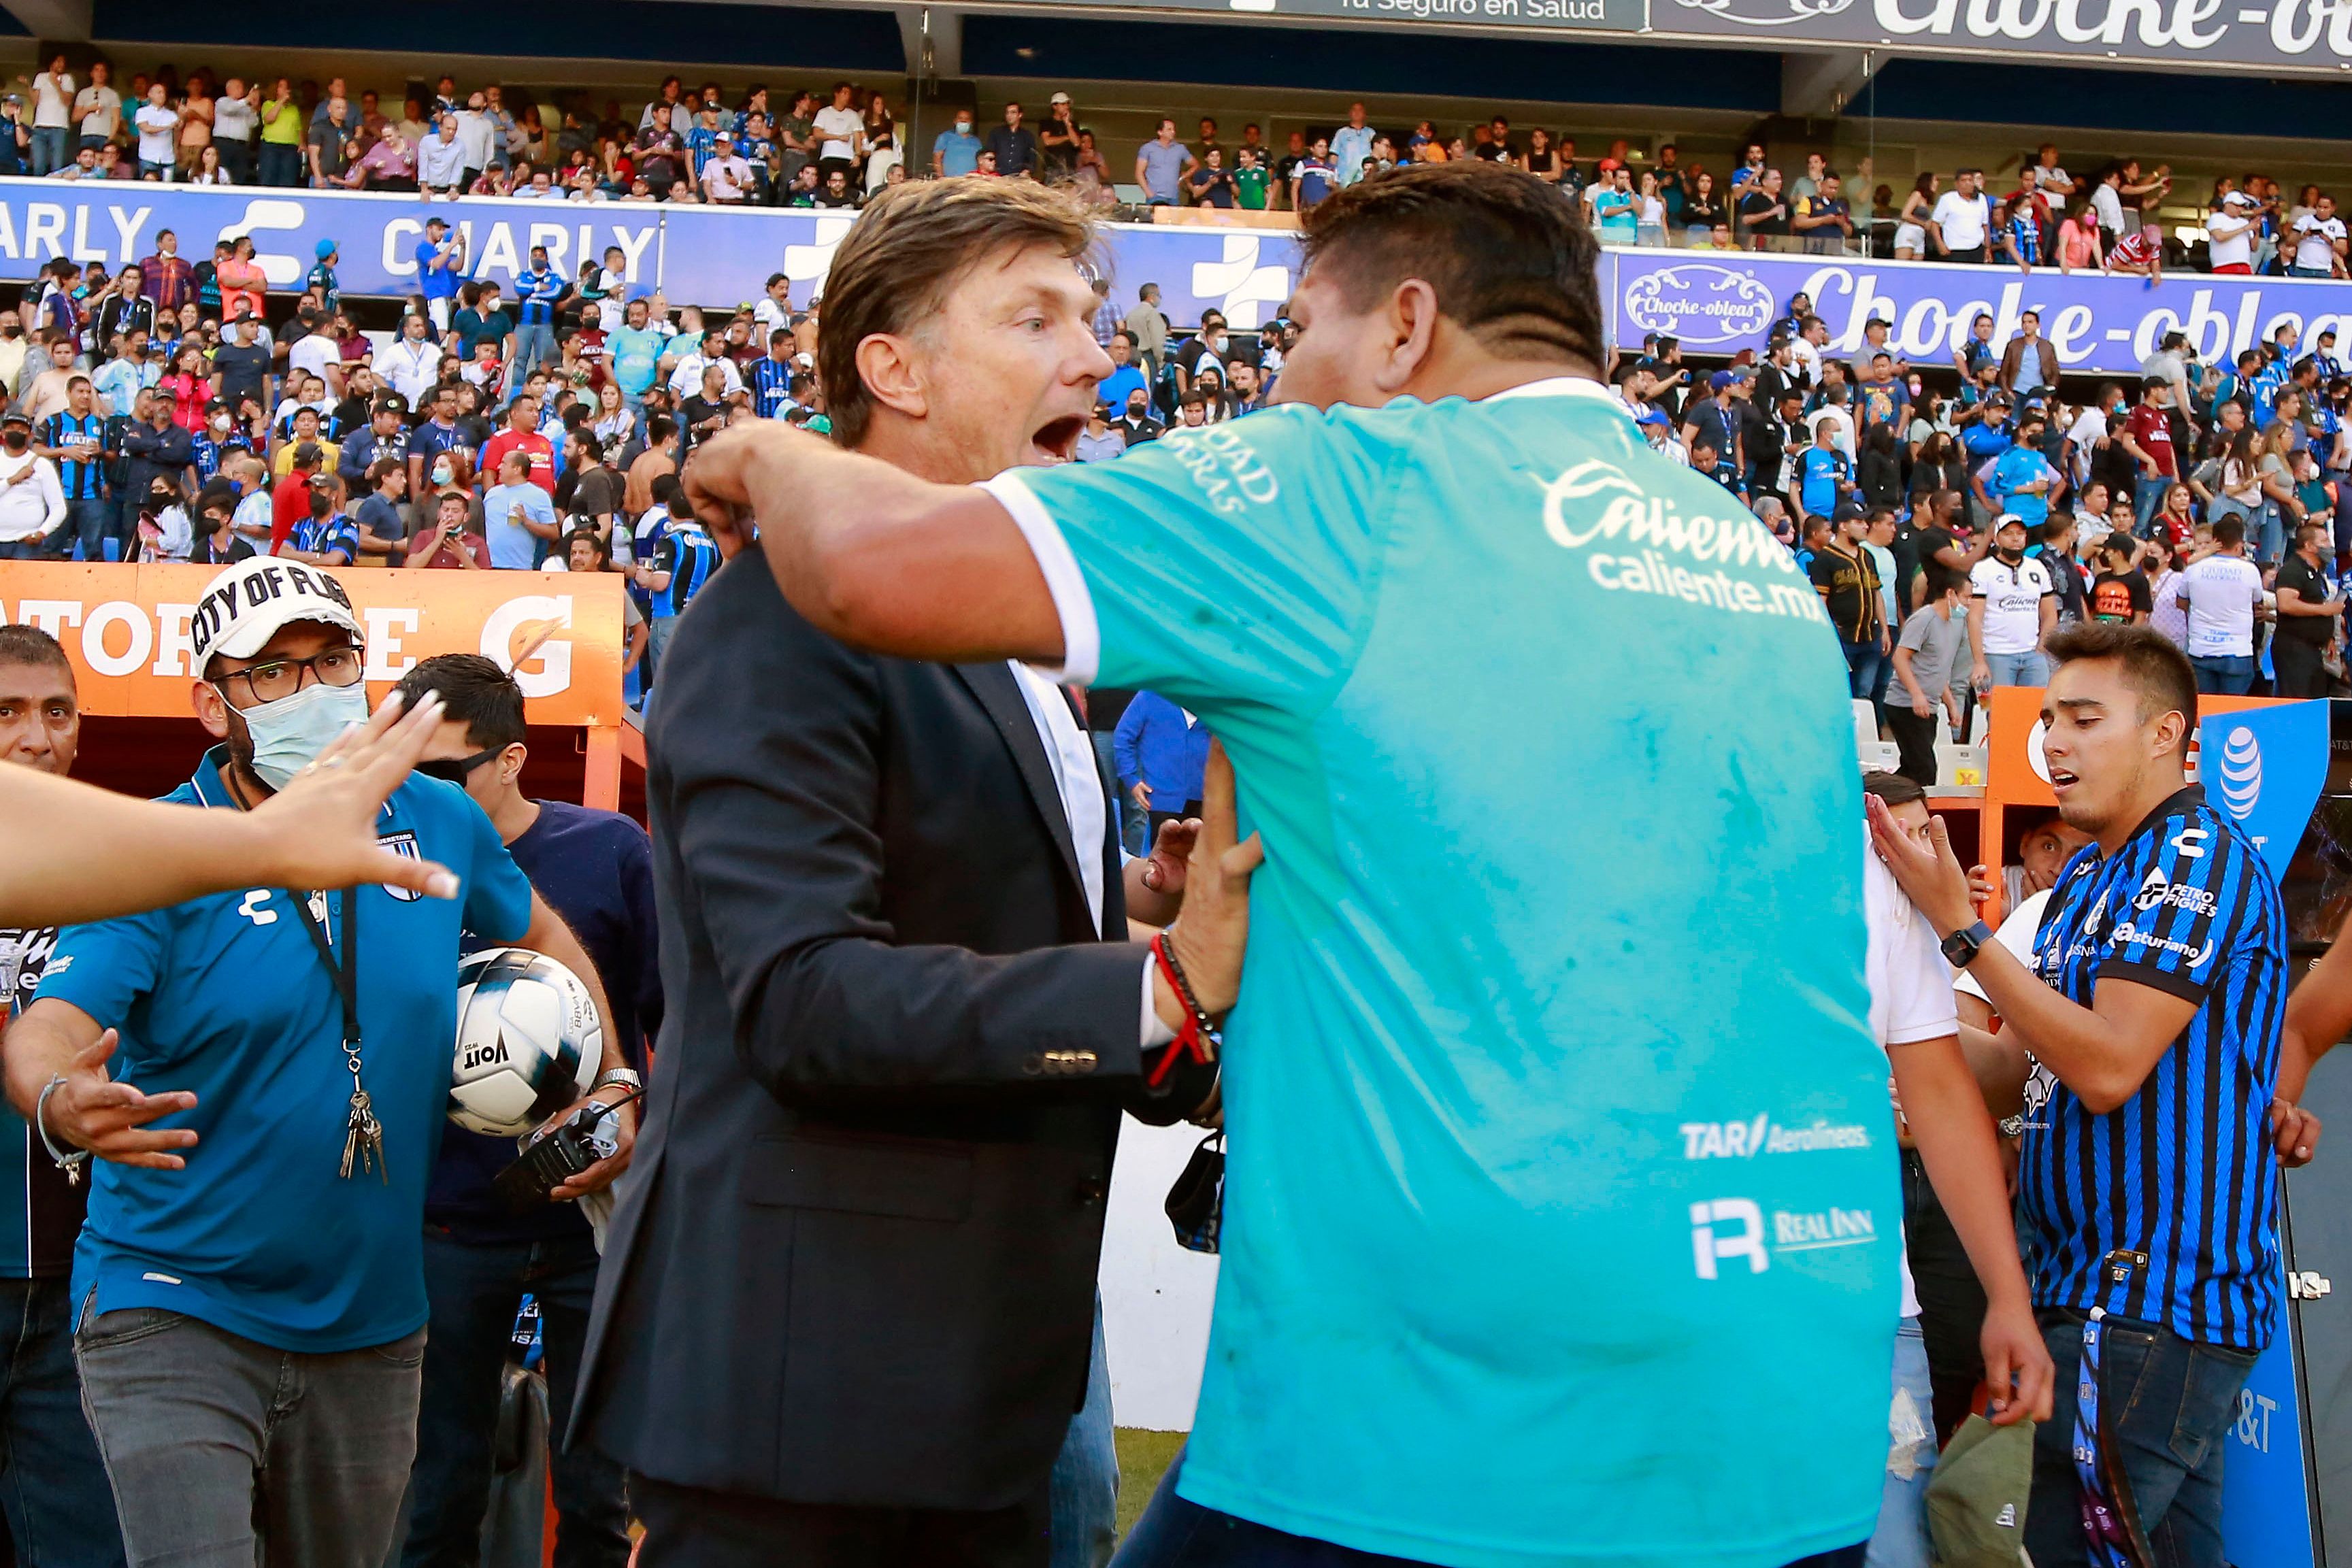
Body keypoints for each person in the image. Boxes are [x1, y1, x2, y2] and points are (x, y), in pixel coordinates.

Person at [674, 162, 1904, 1568]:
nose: (1277, 382)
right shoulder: (1753, 557)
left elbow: (866, 570)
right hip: (1788, 1389)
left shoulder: (1349, 485)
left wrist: (767, 452)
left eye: (1299, 332)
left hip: (1446, 1415)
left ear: (1401, 333)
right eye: (1040, 321)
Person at [571, 178, 1237, 1568]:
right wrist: (1152, 992)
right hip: (814, 1408)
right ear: (896, 370)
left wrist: (1141, 923)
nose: (1097, 356)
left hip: (984, 1379)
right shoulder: (780, 619)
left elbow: (957, 899)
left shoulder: (1005, 633)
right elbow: (810, 1000)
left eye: (1092, 316)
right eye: (1034, 317)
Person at [0, 557, 633, 1568]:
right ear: (213, 704)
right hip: (176, 1304)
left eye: (331, 659)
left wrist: (607, 1081)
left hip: (374, 1322)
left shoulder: (440, 818)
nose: (311, 688)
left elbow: (549, 942)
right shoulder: (166, 845)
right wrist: (62, 1099)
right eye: (270, 672)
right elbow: (53, 1021)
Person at [1868, 621, 2287, 1568]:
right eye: (2049, 718)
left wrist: (1958, 931)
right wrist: (1894, 1020)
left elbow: (2103, 1067)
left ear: (2164, 734)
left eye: (2084, 719)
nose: (2053, 742)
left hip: (2146, 1302)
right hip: (2088, 1294)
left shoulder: (2194, 856)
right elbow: (2016, 1065)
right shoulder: (2091, 876)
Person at [391, 656, 655, 1568]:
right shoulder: (381, 870)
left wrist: (627, 1106)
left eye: (441, 770)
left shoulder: (612, 852)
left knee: (597, 1495)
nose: (418, 792)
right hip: (447, 1226)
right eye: (404, 769)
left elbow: (679, 1019)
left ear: (509, 761)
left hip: (589, 1221)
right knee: (435, 1492)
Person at [1855, 771, 2053, 1568]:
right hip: (1690, 1308)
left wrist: (2009, 1295)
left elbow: (1950, 1085)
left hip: (1876, 1292)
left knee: (1898, 1543)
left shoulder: (1883, 899)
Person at [0, 627, 128, 1568]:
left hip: (82, 1294)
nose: (36, 736)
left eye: (55, 711)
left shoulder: (134, 862)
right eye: (6, 712)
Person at [1888, 564, 1965, 787]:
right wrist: (1916, 695)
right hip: (1905, 705)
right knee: (1925, 769)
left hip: (1929, 708)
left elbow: (1936, 669)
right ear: (1951, 593)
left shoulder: (1952, 625)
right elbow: (1900, 657)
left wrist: (1950, 704)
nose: (1969, 603)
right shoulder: (1924, 619)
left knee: (1912, 769)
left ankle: (1881, 796)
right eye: (1967, 597)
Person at [2174, 515, 2263, 694]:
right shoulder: (2250, 571)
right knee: (2233, 713)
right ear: (2239, 545)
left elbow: (2181, 602)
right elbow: (2258, 604)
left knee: (2204, 710)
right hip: (2237, 652)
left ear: (2215, 541)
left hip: (2201, 649)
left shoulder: (2194, 569)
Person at [1968, 514, 2057, 689]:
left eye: (2020, 533)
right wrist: (1979, 661)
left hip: (2033, 653)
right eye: (2008, 534)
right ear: (1997, 539)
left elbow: (2050, 613)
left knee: (2034, 711)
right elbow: (1974, 617)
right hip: (1997, 653)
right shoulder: (1983, 569)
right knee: (2001, 713)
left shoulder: (2037, 568)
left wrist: (2041, 648)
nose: (2015, 538)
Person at [1114, 689, 1211, 839]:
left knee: (1204, 858)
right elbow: (1123, 737)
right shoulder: (1150, 696)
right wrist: (1131, 779)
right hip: (1162, 797)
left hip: (1207, 797)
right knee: (1163, 856)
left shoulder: (1212, 699)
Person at [2270, 518, 2340, 699]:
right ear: (2309, 546)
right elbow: (2286, 604)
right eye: (2324, 541)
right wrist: (2324, 611)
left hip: (2314, 650)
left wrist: (2328, 637)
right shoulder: (2292, 570)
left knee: (2315, 702)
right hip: (2294, 649)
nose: (2329, 546)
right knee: (2297, 702)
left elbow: (2316, 600)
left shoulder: (2316, 573)